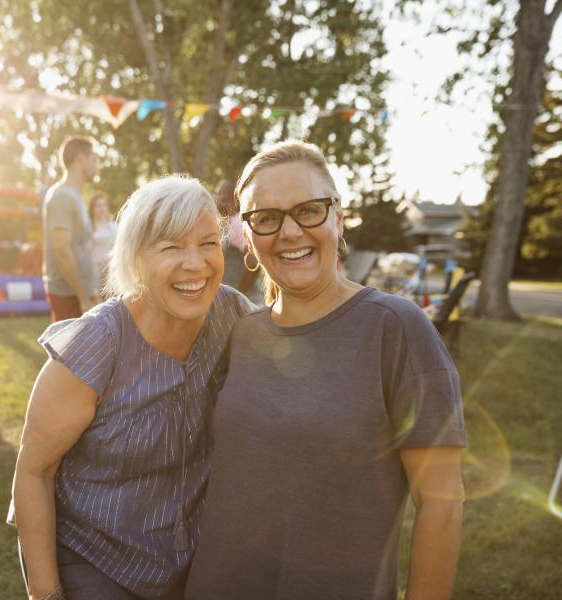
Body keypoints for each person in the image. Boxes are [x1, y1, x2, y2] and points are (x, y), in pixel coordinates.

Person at [186, 140, 467, 600]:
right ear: (249, 239)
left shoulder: (395, 328)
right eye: (267, 218)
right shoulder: (240, 334)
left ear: (338, 218)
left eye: (309, 209)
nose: (290, 231)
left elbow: (443, 502)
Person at [11, 175, 254, 600]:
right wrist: (45, 594)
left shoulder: (233, 314)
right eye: (172, 247)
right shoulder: (97, 343)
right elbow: (35, 470)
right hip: (94, 559)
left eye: (206, 243)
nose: (195, 263)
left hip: (190, 563)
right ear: (137, 259)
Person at [43, 135, 100, 322]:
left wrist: (90, 291)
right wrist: (83, 298)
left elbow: (82, 248)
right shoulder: (62, 196)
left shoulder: (75, 197)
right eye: (94, 159)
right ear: (81, 159)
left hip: (80, 295)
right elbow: (61, 251)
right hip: (68, 296)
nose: (97, 165)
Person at [214, 180, 258, 299]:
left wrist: (239, 295)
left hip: (246, 302)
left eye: (221, 197)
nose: (217, 199)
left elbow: (254, 261)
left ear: (233, 200)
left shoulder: (238, 224)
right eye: (217, 194)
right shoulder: (225, 224)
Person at [88, 193, 117, 298]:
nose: (101, 208)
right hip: (93, 270)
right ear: (92, 208)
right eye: (98, 205)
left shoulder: (114, 227)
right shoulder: (87, 227)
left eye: (103, 205)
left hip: (110, 269)